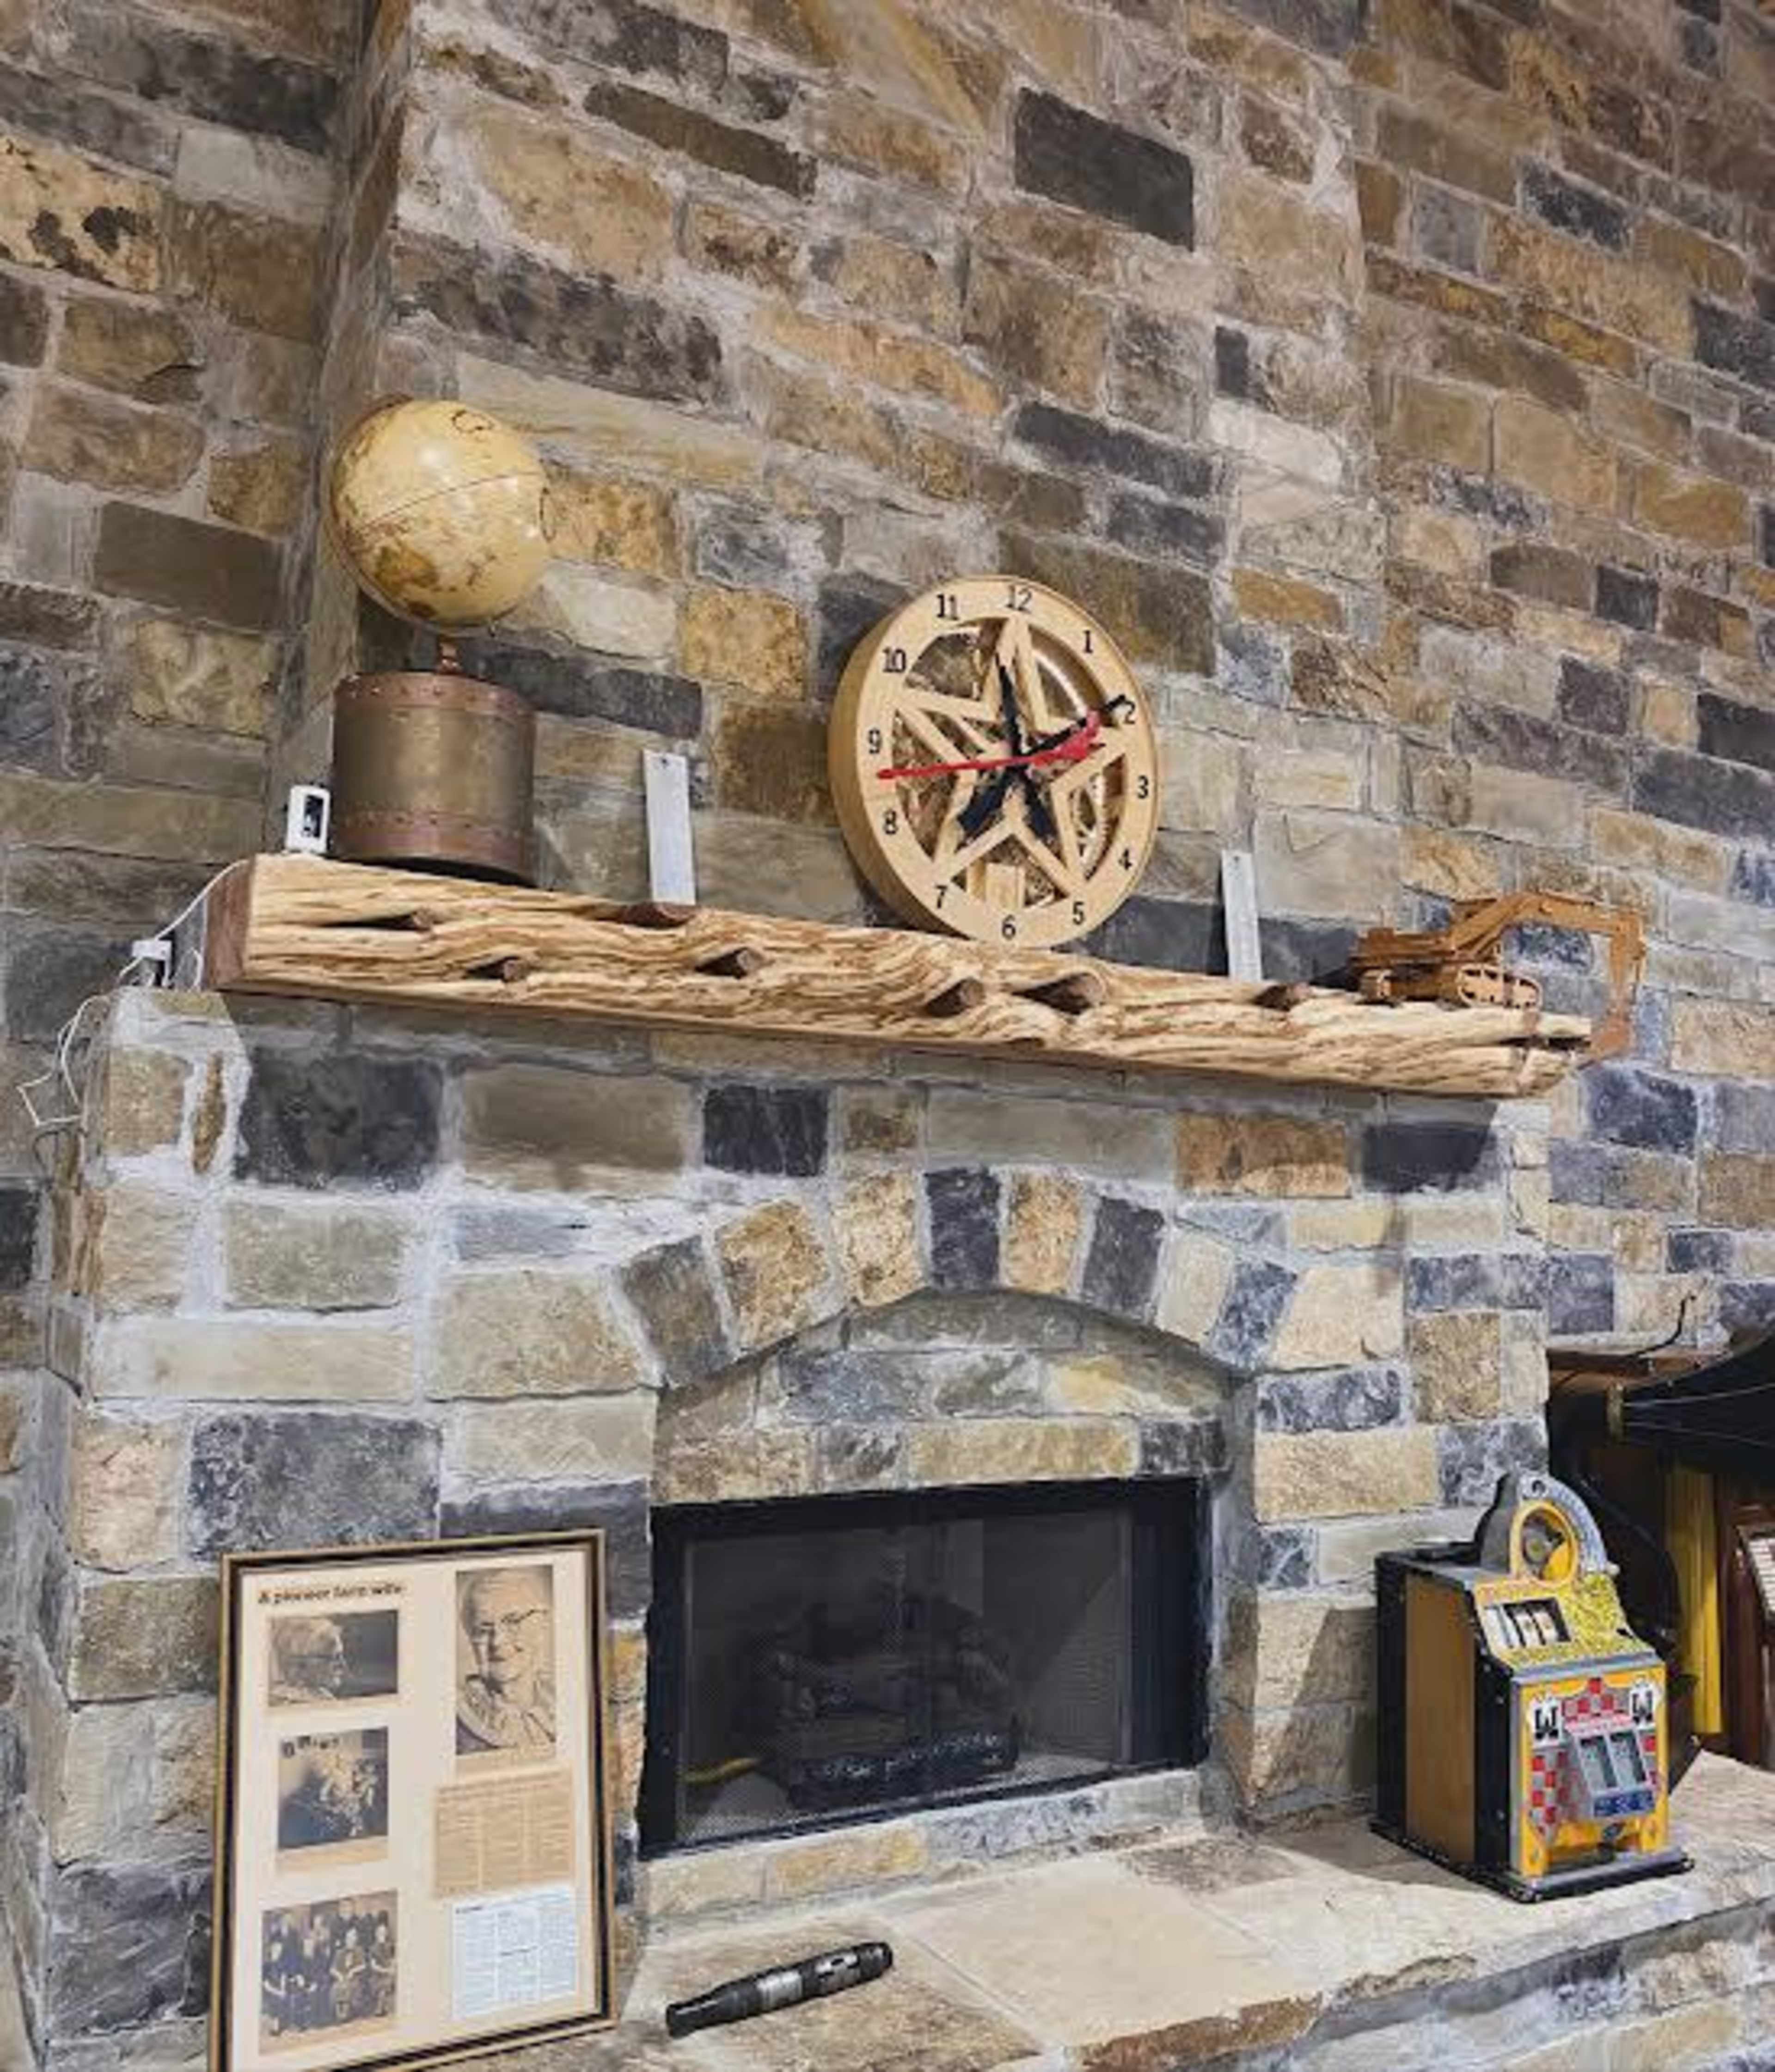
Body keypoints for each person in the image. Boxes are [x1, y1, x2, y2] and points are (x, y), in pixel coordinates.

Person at [456, 1567, 556, 1755]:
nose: (497, 1641)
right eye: (483, 1629)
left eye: (512, 1621)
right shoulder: (457, 1718)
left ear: (541, 1624)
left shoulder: (560, 1701)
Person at [270, 1619, 349, 1705]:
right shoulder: (291, 1702)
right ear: (299, 1665)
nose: (343, 1665)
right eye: (331, 1658)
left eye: (341, 1656)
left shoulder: (321, 1695)